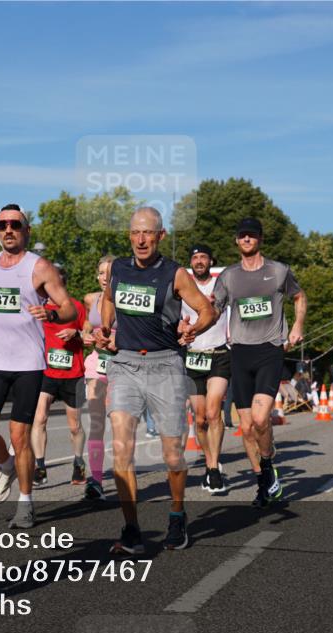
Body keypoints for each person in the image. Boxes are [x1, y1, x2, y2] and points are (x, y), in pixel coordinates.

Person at [96, 207, 215, 554]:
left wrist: (194, 329)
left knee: (173, 454)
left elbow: (208, 310)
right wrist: (105, 328)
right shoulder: (118, 268)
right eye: (135, 233)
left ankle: (177, 514)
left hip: (165, 366)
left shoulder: (175, 274)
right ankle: (132, 528)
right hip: (125, 365)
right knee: (121, 448)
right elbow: (108, 301)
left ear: (160, 236)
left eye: (148, 233)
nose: (141, 240)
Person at [0, 204, 75, 528]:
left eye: (15, 224)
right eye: (2, 224)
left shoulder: (40, 267)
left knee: (20, 436)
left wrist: (52, 314)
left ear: (26, 230)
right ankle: (6, 465)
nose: (8, 229)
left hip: (28, 363)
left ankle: (26, 502)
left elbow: (68, 307)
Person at [211, 217, 306, 507]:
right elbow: (214, 309)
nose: (247, 240)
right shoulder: (228, 276)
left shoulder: (278, 271)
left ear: (260, 239)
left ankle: (267, 467)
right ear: (236, 241)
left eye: (252, 235)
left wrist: (297, 326)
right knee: (248, 426)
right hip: (239, 352)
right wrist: (192, 326)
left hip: (269, 350)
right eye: (242, 236)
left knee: (262, 419)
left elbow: (299, 297)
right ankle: (262, 483)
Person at [31, 266, 89, 486]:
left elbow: (89, 335)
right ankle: (40, 467)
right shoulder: (39, 308)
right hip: (46, 372)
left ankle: (78, 463)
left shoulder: (75, 307)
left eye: (58, 283)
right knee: (40, 418)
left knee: (74, 425)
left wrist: (77, 333)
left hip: (73, 373)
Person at [182, 243, 231, 494]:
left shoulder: (222, 286)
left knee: (214, 413)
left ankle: (213, 469)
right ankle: (210, 463)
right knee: (199, 419)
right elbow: (173, 318)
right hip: (193, 357)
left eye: (203, 257)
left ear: (211, 261)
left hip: (220, 353)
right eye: (195, 257)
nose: (199, 261)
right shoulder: (183, 287)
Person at [81, 255, 116, 500]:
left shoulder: (125, 300)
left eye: (110, 272)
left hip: (123, 365)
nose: (106, 277)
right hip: (96, 364)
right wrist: (84, 334)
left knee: (121, 424)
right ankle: (95, 480)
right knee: (96, 423)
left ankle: (126, 472)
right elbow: (85, 324)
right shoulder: (91, 299)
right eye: (102, 273)